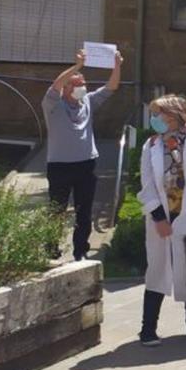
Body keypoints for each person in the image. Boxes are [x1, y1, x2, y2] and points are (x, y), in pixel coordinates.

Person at [41, 48, 123, 261]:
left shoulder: (87, 101)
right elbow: (55, 85)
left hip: (86, 165)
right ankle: (51, 245)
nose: (82, 88)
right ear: (67, 88)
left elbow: (111, 87)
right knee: (57, 210)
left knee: (84, 211)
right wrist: (77, 66)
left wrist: (117, 66)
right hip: (60, 166)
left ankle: (81, 250)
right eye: (77, 85)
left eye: (83, 84)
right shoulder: (53, 104)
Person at [136, 94, 186, 346]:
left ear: (176, 116)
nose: (154, 119)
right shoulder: (151, 145)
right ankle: (148, 329)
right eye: (153, 114)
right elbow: (147, 185)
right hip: (164, 217)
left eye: (159, 114)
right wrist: (158, 217)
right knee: (157, 270)